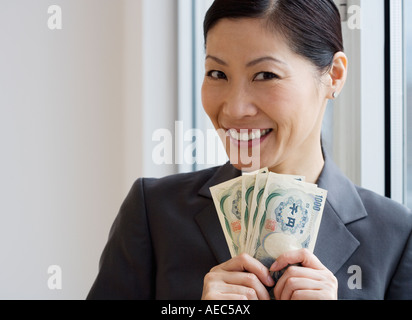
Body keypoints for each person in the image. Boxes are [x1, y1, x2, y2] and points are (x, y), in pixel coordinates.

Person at [87, 0, 412, 300]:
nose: (235, 108)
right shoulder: (155, 213)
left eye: (265, 75)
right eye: (218, 73)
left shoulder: (395, 236)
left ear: (334, 76)